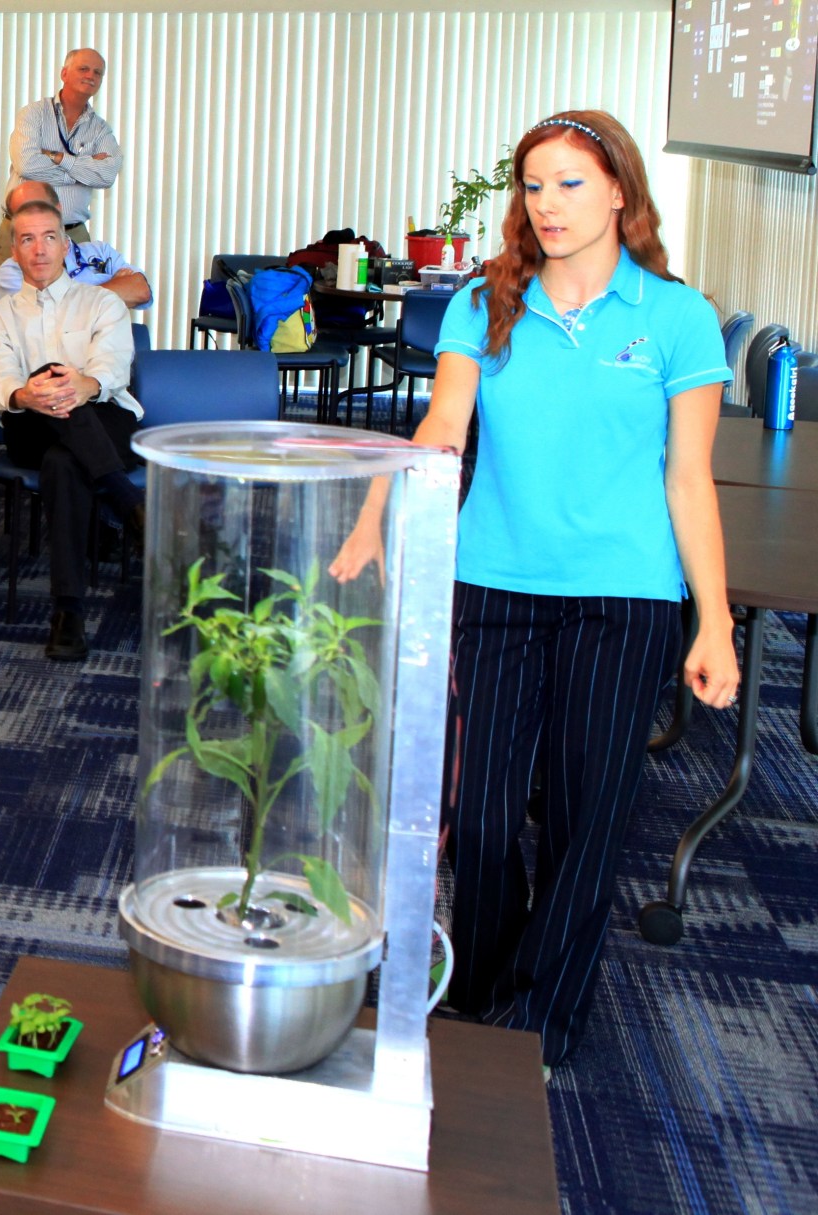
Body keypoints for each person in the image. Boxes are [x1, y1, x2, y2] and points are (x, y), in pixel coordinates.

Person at [330, 111, 738, 1069]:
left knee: (582, 819)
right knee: (478, 817)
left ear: (621, 194)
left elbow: (690, 480)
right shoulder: (488, 302)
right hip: (495, 581)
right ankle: (477, 996)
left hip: (624, 598)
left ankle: (537, 1026)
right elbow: (442, 425)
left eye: (570, 183)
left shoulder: (676, 318)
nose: (546, 204)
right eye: (533, 185)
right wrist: (371, 514)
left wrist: (713, 620)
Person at [0, 199, 142, 663]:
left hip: (102, 417)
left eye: (49, 237)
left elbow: (113, 368)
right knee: (47, 378)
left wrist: (81, 385)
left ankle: (68, 613)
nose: (40, 249)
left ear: (67, 246)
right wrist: (29, 395)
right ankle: (131, 507)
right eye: (27, 239)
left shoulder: (102, 302)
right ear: (14, 252)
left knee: (65, 461)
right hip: (29, 424)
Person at [0, 48, 120, 267]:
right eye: (83, 69)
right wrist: (83, 172)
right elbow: (27, 165)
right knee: (16, 301)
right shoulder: (34, 114)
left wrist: (58, 157)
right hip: (22, 232)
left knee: (77, 301)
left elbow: (106, 176)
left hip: (73, 236)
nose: (91, 76)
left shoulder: (100, 129)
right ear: (64, 74)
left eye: (97, 72)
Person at [0, 180, 151, 309]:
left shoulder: (100, 251)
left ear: (58, 210)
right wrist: (113, 287)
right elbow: (44, 317)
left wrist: (67, 302)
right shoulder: (12, 271)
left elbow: (141, 291)